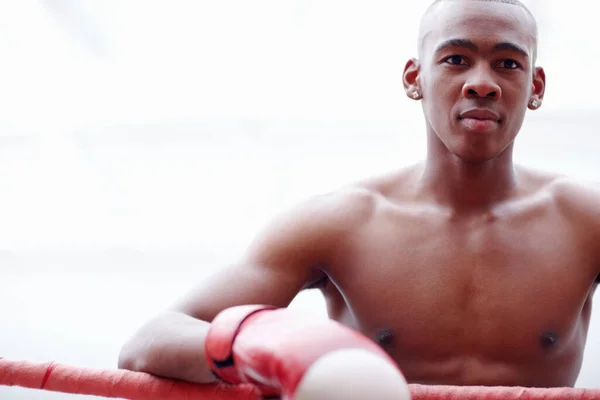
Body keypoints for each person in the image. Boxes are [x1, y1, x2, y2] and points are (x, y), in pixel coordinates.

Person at [118, 0, 600, 397]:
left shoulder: (587, 222)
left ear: (535, 87)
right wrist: (271, 344)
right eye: (455, 59)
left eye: (508, 63)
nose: (482, 82)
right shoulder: (341, 223)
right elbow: (150, 341)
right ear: (414, 78)